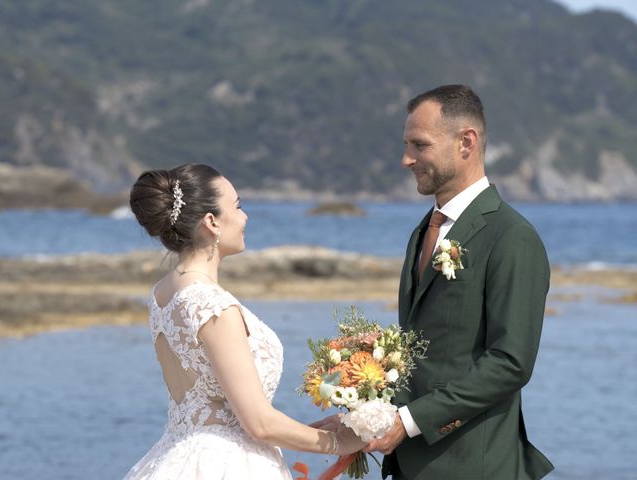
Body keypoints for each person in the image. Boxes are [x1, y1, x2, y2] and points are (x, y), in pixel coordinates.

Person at [124, 163, 365, 479]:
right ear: (211, 222)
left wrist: (303, 431)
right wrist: (339, 442)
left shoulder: (163, 292)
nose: (244, 216)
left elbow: (217, 410)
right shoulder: (212, 306)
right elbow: (259, 424)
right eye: (237, 206)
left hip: (178, 455)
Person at [367, 85, 554, 479]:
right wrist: (370, 395)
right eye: (406, 145)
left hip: (473, 464)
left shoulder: (511, 236)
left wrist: (410, 421)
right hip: (410, 464)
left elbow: (510, 363)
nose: (406, 159)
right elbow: (428, 346)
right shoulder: (423, 232)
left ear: (466, 142)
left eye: (420, 145)